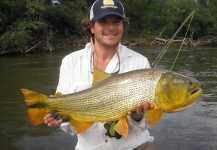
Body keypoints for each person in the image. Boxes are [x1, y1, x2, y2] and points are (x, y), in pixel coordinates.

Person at [44, 0, 156, 149]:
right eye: (103, 22)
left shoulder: (140, 62)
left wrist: (137, 117)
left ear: (123, 26)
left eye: (116, 22)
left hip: (136, 146)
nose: (111, 27)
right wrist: (63, 117)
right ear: (91, 27)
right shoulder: (70, 62)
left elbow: (143, 125)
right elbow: (69, 127)